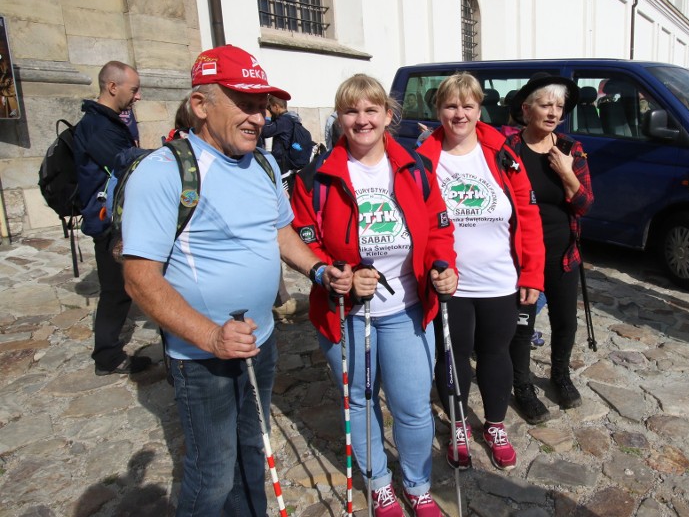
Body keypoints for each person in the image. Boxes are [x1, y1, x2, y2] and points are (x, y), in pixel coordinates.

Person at [120, 45, 353, 516]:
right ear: (202, 106)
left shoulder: (264, 164)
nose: (258, 117)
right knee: (212, 472)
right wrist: (211, 336)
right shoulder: (163, 172)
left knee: (254, 446)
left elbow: (279, 229)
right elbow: (140, 280)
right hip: (201, 355)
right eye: (244, 104)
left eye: (261, 105)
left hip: (260, 340)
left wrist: (318, 270)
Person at [290, 74, 457, 517]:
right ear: (340, 118)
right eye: (351, 111)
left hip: (406, 309)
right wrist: (331, 272)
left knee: (413, 406)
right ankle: (380, 484)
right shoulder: (314, 178)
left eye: (370, 110)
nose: (361, 120)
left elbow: (440, 228)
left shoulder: (415, 169)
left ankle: (418, 486)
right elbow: (304, 241)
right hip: (345, 314)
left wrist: (444, 267)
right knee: (359, 403)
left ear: (387, 115)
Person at [417, 73, 544, 470]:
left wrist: (532, 276)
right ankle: (458, 423)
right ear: (439, 111)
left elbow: (528, 215)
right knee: (451, 356)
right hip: (449, 281)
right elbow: (417, 220)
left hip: (500, 278)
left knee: (495, 353)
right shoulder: (423, 157)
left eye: (467, 105)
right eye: (450, 106)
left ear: (478, 109)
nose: (459, 114)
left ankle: (494, 425)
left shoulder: (502, 153)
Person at [506, 73, 593, 422]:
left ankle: (560, 376)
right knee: (523, 324)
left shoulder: (571, 149)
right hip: (521, 256)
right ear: (527, 110)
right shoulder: (508, 151)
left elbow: (585, 204)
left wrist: (567, 173)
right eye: (545, 105)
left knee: (564, 321)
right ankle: (522, 386)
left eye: (559, 106)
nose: (554, 112)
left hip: (563, 253)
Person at [72, 60, 150, 376]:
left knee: (120, 288)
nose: (138, 96)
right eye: (134, 89)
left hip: (112, 217)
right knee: (115, 291)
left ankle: (107, 352)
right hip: (105, 221)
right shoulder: (97, 126)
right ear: (112, 86)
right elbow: (122, 162)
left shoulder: (107, 122)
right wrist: (166, 154)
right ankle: (107, 356)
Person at [260, 94, 313, 191]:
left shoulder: (284, 121)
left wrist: (267, 118)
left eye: (270, 107)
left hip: (283, 164)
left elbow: (265, 131)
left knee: (284, 194)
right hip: (286, 163)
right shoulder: (291, 119)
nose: (269, 110)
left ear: (276, 107)